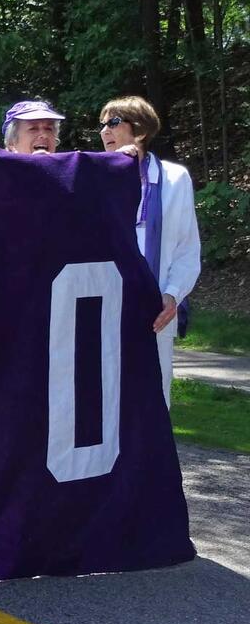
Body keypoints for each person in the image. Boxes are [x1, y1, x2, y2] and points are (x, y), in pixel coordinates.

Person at [98, 96, 201, 407]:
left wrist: (172, 295)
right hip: (104, 309)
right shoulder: (95, 177)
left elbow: (187, 248)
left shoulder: (173, 179)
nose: (104, 131)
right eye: (102, 124)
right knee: (103, 402)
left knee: (152, 402)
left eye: (113, 123)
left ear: (139, 130)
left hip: (155, 312)